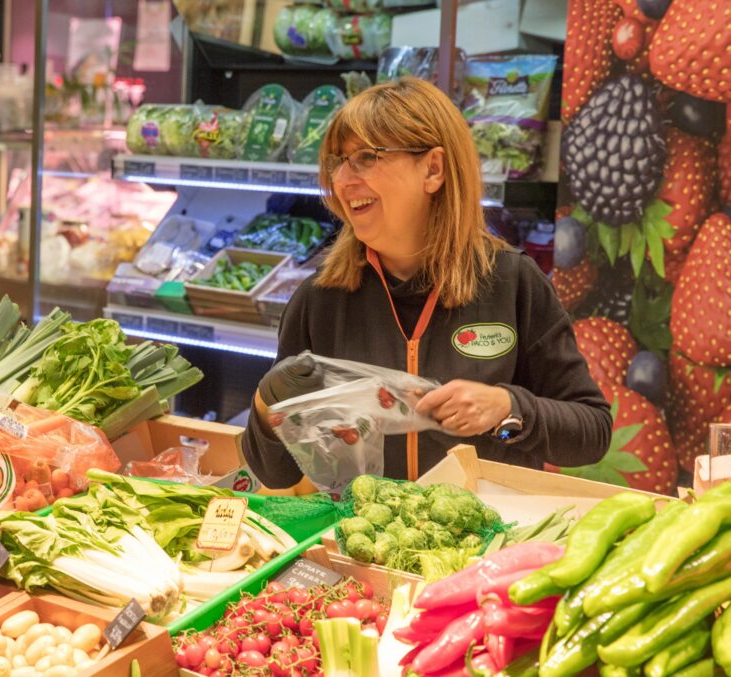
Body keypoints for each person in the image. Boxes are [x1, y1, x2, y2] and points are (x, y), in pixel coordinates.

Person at [242, 78, 612, 489]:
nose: (343, 180)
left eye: (366, 157)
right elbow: (274, 473)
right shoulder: (320, 298)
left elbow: (592, 432)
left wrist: (507, 408)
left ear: (433, 169)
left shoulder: (512, 282)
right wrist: (265, 402)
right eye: (336, 162)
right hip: (363, 541)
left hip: (488, 540)